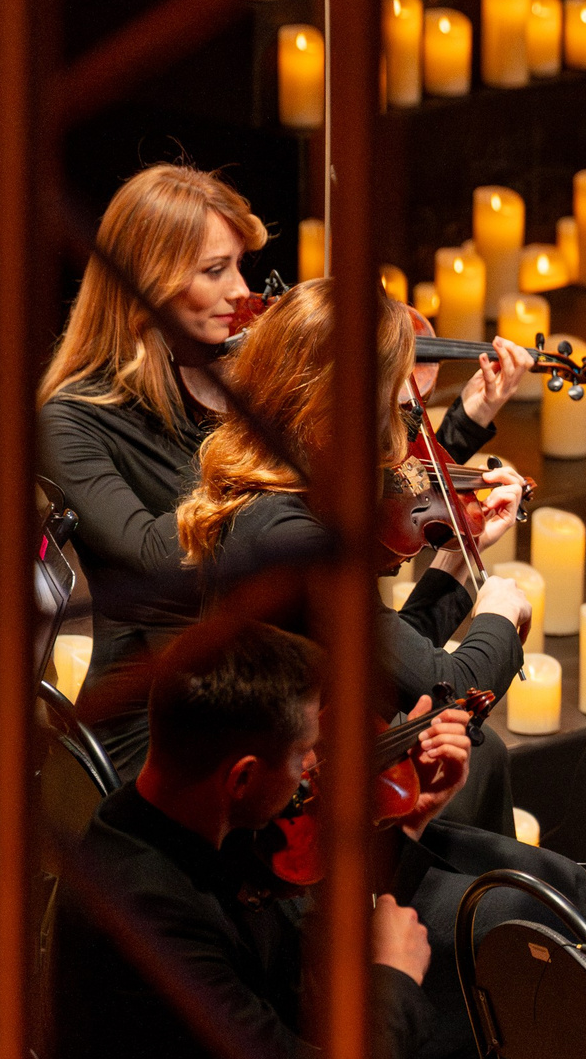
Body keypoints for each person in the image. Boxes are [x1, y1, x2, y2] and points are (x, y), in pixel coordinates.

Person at [44, 163, 532, 775]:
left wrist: (461, 424)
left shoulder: (222, 379)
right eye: (214, 270)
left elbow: (350, 481)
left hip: (277, 686)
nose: (241, 292)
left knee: (473, 756)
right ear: (146, 284)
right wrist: (271, 471)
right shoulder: (70, 421)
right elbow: (158, 555)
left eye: (240, 267)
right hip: (156, 722)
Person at [52, 623, 483, 1059]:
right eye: (304, 754)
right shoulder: (150, 919)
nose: (316, 771)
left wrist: (406, 818)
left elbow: (285, 957)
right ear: (244, 777)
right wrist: (393, 978)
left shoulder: (156, 821)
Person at [175, 280, 531, 830]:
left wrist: (456, 567)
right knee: (542, 882)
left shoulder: (280, 488)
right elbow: (450, 688)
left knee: (489, 766)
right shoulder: (293, 538)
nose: (408, 427)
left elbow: (384, 661)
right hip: (296, 832)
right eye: (397, 404)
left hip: (333, 776)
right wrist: (500, 617)